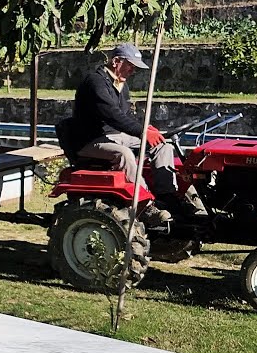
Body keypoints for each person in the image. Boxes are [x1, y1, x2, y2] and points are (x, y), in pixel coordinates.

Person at [64, 43, 193, 222]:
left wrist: (146, 129)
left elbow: (124, 117)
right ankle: (145, 204)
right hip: (89, 140)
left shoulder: (121, 85)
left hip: (114, 135)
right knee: (124, 154)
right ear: (116, 61)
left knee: (162, 145)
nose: (133, 70)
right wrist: (141, 132)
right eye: (130, 65)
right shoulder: (95, 82)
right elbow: (111, 114)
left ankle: (167, 195)